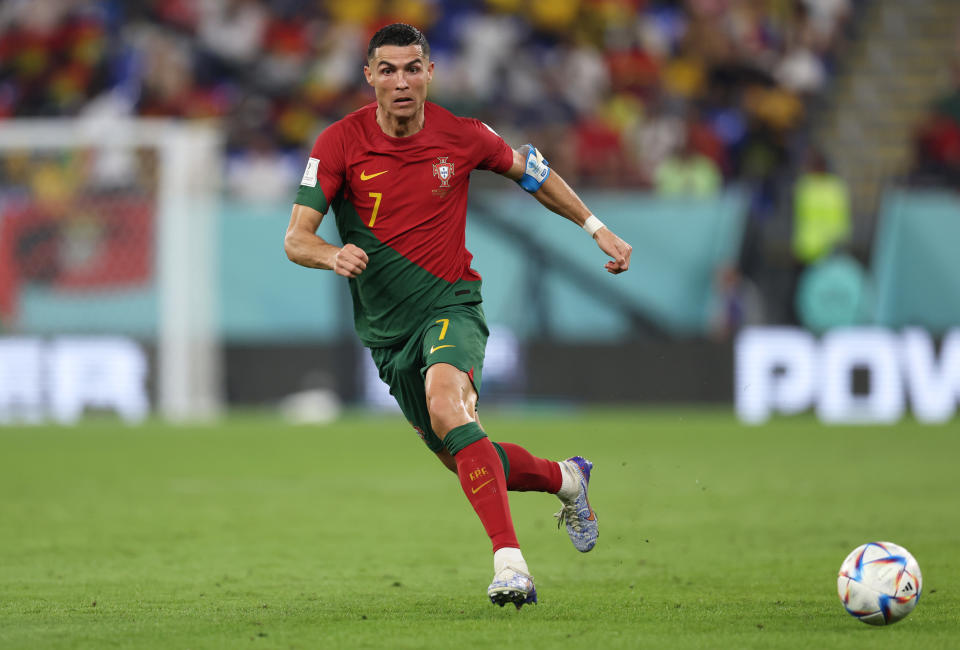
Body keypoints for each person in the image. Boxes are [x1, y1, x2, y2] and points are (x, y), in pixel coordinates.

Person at [284, 24, 633, 609]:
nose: (401, 81)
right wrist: (330, 253)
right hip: (387, 336)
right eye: (388, 70)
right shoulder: (339, 144)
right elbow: (297, 238)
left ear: (430, 73)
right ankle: (568, 478)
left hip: (452, 305)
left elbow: (532, 171)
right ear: (369, 76)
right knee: (470, 456)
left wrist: (596, 228)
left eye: (412, 68)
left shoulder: (463, 135)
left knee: (449, 406)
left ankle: (511, 565)